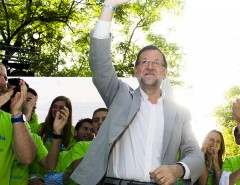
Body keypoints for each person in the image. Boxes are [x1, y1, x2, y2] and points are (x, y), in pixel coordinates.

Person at [70, 1, 205, 184]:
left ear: (165, 73)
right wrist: (109, 6)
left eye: (156, 62)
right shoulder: (119, 95)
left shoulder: (179, 113)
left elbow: (196, 155)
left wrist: (178, 169)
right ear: (135, 71)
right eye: (143, 62)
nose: (150, 66)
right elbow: (99, 63)